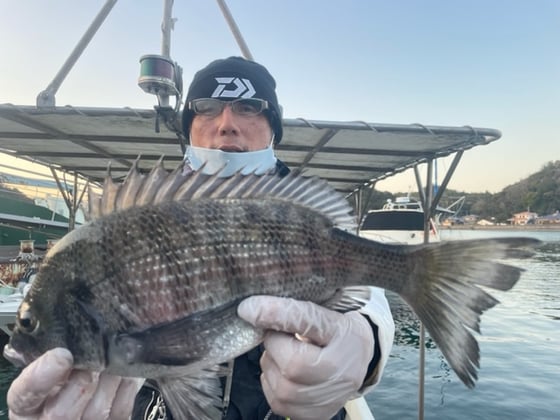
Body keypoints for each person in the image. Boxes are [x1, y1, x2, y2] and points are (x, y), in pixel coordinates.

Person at [6, 57, 395, 420]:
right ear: (188, 127)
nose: (226, 123)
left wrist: (368, 339)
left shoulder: (302, 215)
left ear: (274, 129)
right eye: (207, 107)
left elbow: (366, 289)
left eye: (249, 107)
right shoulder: (142, 215)